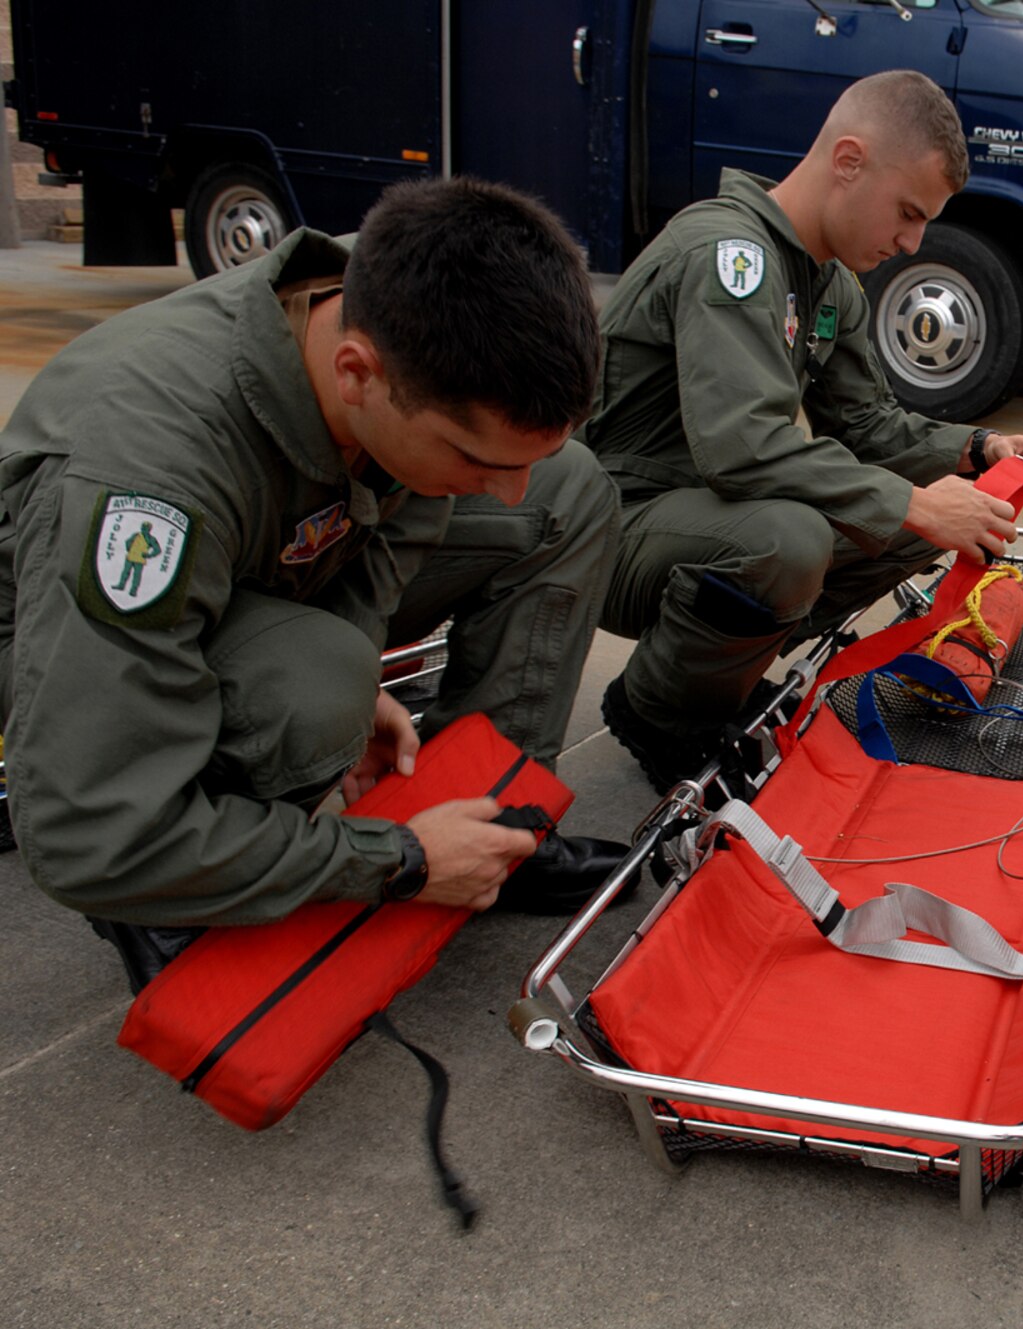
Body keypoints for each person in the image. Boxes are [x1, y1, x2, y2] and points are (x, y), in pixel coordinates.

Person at [0, 177, 626, 992]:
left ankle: (483, 827)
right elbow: (87, 833)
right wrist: (393, 860)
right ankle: (178, 896)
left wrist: (365, 668)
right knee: (310, 688)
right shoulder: (147, 478)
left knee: (570, 491)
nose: (503, 489)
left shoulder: (387, 297)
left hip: (269, 559)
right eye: (476, 460)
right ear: (356, 374)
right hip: (67, 635)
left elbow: (396, 513)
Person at [582, 69, 1023, 791]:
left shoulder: (828, 284)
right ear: (847, 161)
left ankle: (717, 679)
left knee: (927, 516)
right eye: (906, 211)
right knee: (796, 539)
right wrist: (917, 503)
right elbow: (742, 447)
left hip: (704, 520)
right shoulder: (729, 257)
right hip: (612, 529)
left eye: (925, 220)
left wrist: (977, 451)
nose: (911, 242)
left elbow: (868, 424)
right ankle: (657, 710)